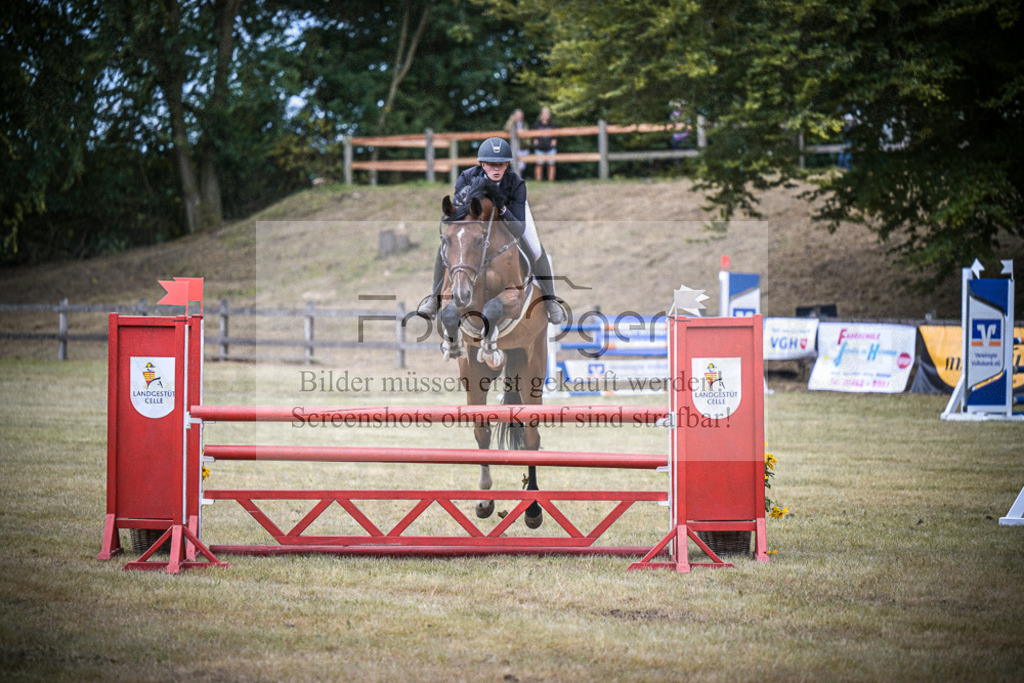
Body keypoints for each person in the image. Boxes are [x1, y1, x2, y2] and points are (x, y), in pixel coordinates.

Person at [417, 136, 566, 325]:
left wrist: (502, 208)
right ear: (482, 164)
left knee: (535, 248)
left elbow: (519, 229)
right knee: (444, 248)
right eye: (491, 164)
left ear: (507, 165)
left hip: (510, 215)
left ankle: (551, 300)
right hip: (475, 221)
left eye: (502, 165)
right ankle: (434, 298)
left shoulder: (516, 183)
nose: (497, 169)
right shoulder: (467, 177)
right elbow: (459, 215)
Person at [532, 106, 557, 181]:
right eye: (544, 113)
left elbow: (555, 136)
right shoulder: (536, 124)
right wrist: (535, 142)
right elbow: (533, 135)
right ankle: (538, 180)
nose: (545, 115)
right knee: (539, 165)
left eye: (547, 113)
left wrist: (553, 143)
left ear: (549, 115)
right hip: (539, 148)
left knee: (551, 164)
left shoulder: (552, 125)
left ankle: (551, 181)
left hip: (550, 148)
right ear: (541, 115)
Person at [503, 108, 528, 175]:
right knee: (515, 163)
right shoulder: (512, 124)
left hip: (523, 146)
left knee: (522, 166)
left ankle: (520, 176)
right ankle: (517, 176)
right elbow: (506, 128)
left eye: (520, 116)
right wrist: (511, 119)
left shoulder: (524, 124)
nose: (519, 117)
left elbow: (527, 135)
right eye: (517, 116)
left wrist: (522, 133)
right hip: (514, 146)